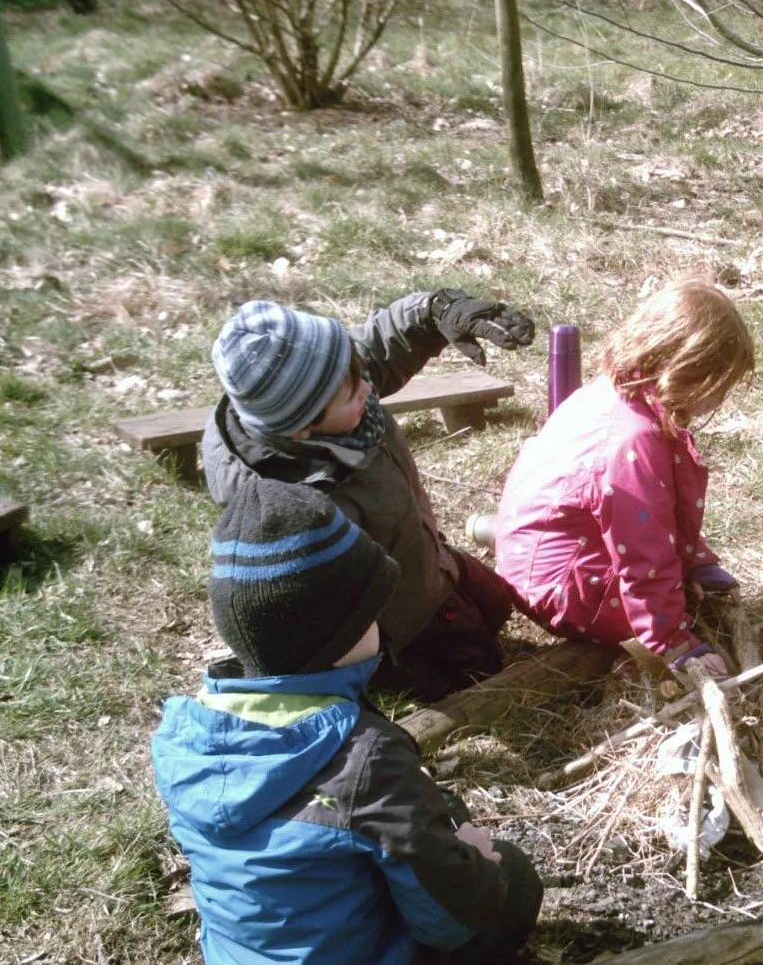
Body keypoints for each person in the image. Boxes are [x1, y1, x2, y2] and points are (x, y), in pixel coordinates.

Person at [151, 478, 548, 965]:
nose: (382, 628)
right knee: (513, 878)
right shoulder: (366, 759)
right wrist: (481, 863)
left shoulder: (186, 734)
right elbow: (450, 918)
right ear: (335, 638)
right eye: (371, 615)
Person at [203, 290, 535, 700]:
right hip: (402, 618)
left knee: (498, 601)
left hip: (426, 556)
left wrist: (435, 311)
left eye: (359, 371)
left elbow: (375, 347)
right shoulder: (289, 508)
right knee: (475, 669)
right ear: (301, 429)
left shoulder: (330, 385)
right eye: (351, 391)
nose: (367, 387)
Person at [493, 279, 754, 674]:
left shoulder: (620, 391)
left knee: (686, 583)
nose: (719, 399)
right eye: (717, 386)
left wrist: (695, 560)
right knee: (680, 597)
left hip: (538, 564)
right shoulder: (633, 439)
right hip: (559, 590)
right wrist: (674, 641)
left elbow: (661, 506)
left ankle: (686, 578)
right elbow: (643, 553)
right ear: (685, 369)